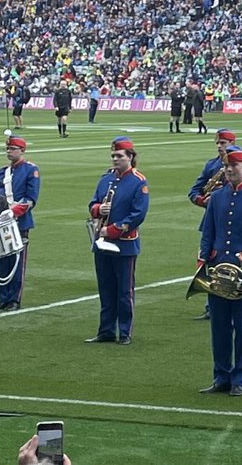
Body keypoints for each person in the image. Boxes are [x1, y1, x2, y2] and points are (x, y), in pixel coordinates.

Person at [198, 147, 242, 396]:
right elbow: (208, 234)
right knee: (219, 328)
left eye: (233, 167)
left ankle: (239, 378)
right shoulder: (217, 197)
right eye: (226, 167)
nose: (228, 170)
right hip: (218, 270)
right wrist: (202, 266)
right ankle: (221, 377)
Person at [86, 137, 149, 345]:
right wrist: (97, 209)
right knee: (105, 288)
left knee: (124, 290)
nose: (115, 159)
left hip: (123, 243)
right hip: (102, 242)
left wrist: (112, 230)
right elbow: (93, 203)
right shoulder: (105, 179)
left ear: (130, 157)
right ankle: (106, 330)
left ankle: (124, 331)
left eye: (119, 156)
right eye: (113, 155)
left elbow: (138, 214)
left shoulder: (138, 182)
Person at [188, 129, 237, 320]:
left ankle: (230, 299)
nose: (219, 146)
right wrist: (204, 201)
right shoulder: (211, 165)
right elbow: (194, 191)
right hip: (212, 221)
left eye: (223, 143)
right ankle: (211, 305)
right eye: (218, 143)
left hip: (232, 223)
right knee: (210, 261)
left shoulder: (241, 164)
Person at [0, 135, 40, 311]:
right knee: (2, 259)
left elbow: (31, 199)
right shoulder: (3, 172)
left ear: (22, 150)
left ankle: (14, 299)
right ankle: (3, 297)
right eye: (8, 149)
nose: (9, 152)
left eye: (13, 149)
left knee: (17, 261)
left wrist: (12, 211)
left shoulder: (30, 170)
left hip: (20, 222)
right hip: (2, 221)